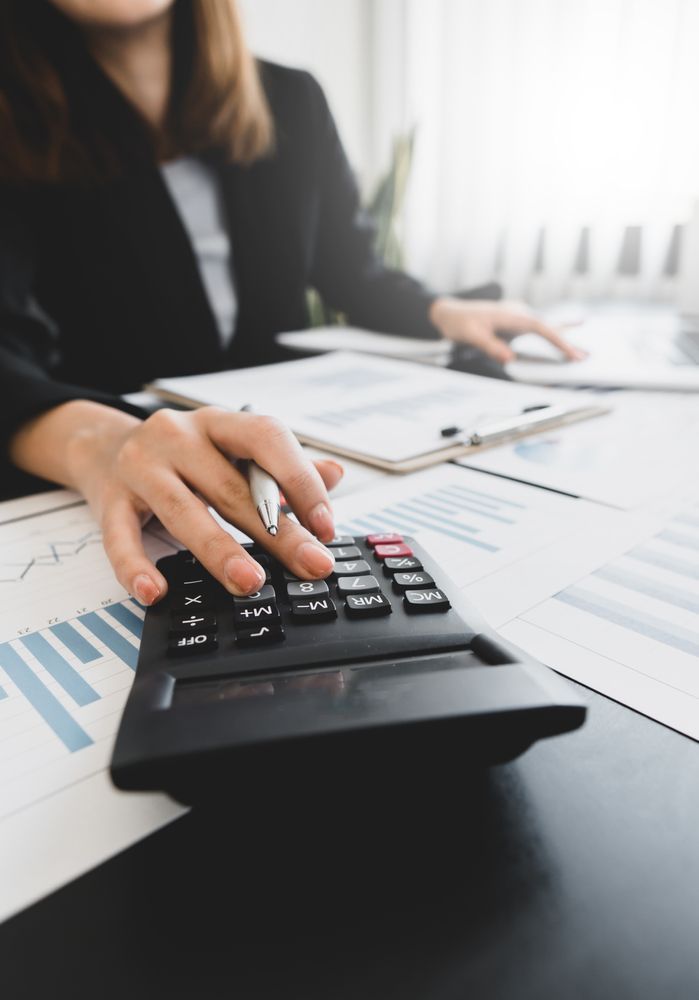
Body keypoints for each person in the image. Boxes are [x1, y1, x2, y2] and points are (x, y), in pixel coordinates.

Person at [0, 0, 581, 605]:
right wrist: (100, 440)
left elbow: (353, 270)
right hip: (104, 461)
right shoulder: (13, 113)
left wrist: (441, 312)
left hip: (296, 435)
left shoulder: (292, 99)